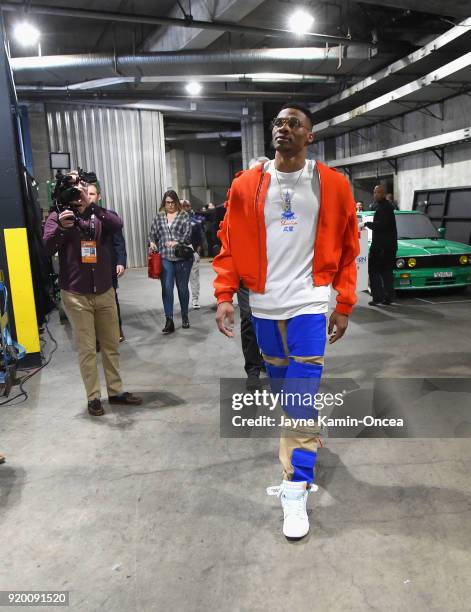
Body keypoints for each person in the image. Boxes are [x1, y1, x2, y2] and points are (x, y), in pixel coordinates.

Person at [213, 103, 359, 539]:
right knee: (287, 397)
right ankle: (307, 438)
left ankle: (296, 489)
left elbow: (350, 249)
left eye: (294, 123)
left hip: (309, 305)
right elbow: (228, 243)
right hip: (262, 307)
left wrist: (344, 303)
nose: (284, 128)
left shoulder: (332, 184)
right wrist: (224, 295)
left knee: (297, 399)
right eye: (278, 122)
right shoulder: (247, 184)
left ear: (309, 136)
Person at [43, 171, 142, 416]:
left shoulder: (100, 216)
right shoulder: (58, 216)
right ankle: (93, 397)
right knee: (87, 348)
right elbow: (47, 247)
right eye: (76, 190)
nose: (80, 195)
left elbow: (118, 224)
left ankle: (116, 392)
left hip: (104, 291)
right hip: (75, 294)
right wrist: (64, 229)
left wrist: (91, 206)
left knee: (111, 345)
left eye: (84, 190)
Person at [148, 190, 193, 333]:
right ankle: (169, 320)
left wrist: (176, 242)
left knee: (182, 288)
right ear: (164, 203)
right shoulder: (159, 218)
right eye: (168, 202)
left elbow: (188, 235)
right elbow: (151, 235)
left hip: (182, 258)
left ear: (177, 203)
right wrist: (152, 243)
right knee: (167, 289)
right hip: (165, 257)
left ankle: (185, 316)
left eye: (173, 202)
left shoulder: (184, 216)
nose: (171, 205)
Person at [87, 183, 127, 342]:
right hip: (86, 269)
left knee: (111, 299)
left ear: (99, 197)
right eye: (87, 193)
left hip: (107, 267)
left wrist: (121, 262)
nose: (89, 196)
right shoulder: (75, 218)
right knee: (89, 303)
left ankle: (117, 329)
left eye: (92, 193)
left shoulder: (109, 217)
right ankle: (96, 337)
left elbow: (119, 242)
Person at [362, 186, 398, 306]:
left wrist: (366, 224)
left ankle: (378, 297)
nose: (375, 194)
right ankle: (388, 297)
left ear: (384, 194)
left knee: (374, 271)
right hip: (388, 247)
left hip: (381, 248)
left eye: (378, 192)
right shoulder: (385, 207)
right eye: (374, 192)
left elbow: (381, 226)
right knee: (386, 272)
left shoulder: (384, 208)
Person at [181, 199, 203, 309]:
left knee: (194, 277)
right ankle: (183, 300)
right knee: (181, 279)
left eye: (187, 206)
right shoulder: (175, 221)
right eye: (183, 206)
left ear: (190, 207)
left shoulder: (195, 222)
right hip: (179, 253)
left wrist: (197, 253)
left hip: (193, 252)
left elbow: (200, 238)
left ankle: (195, 299)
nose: (185, 208)